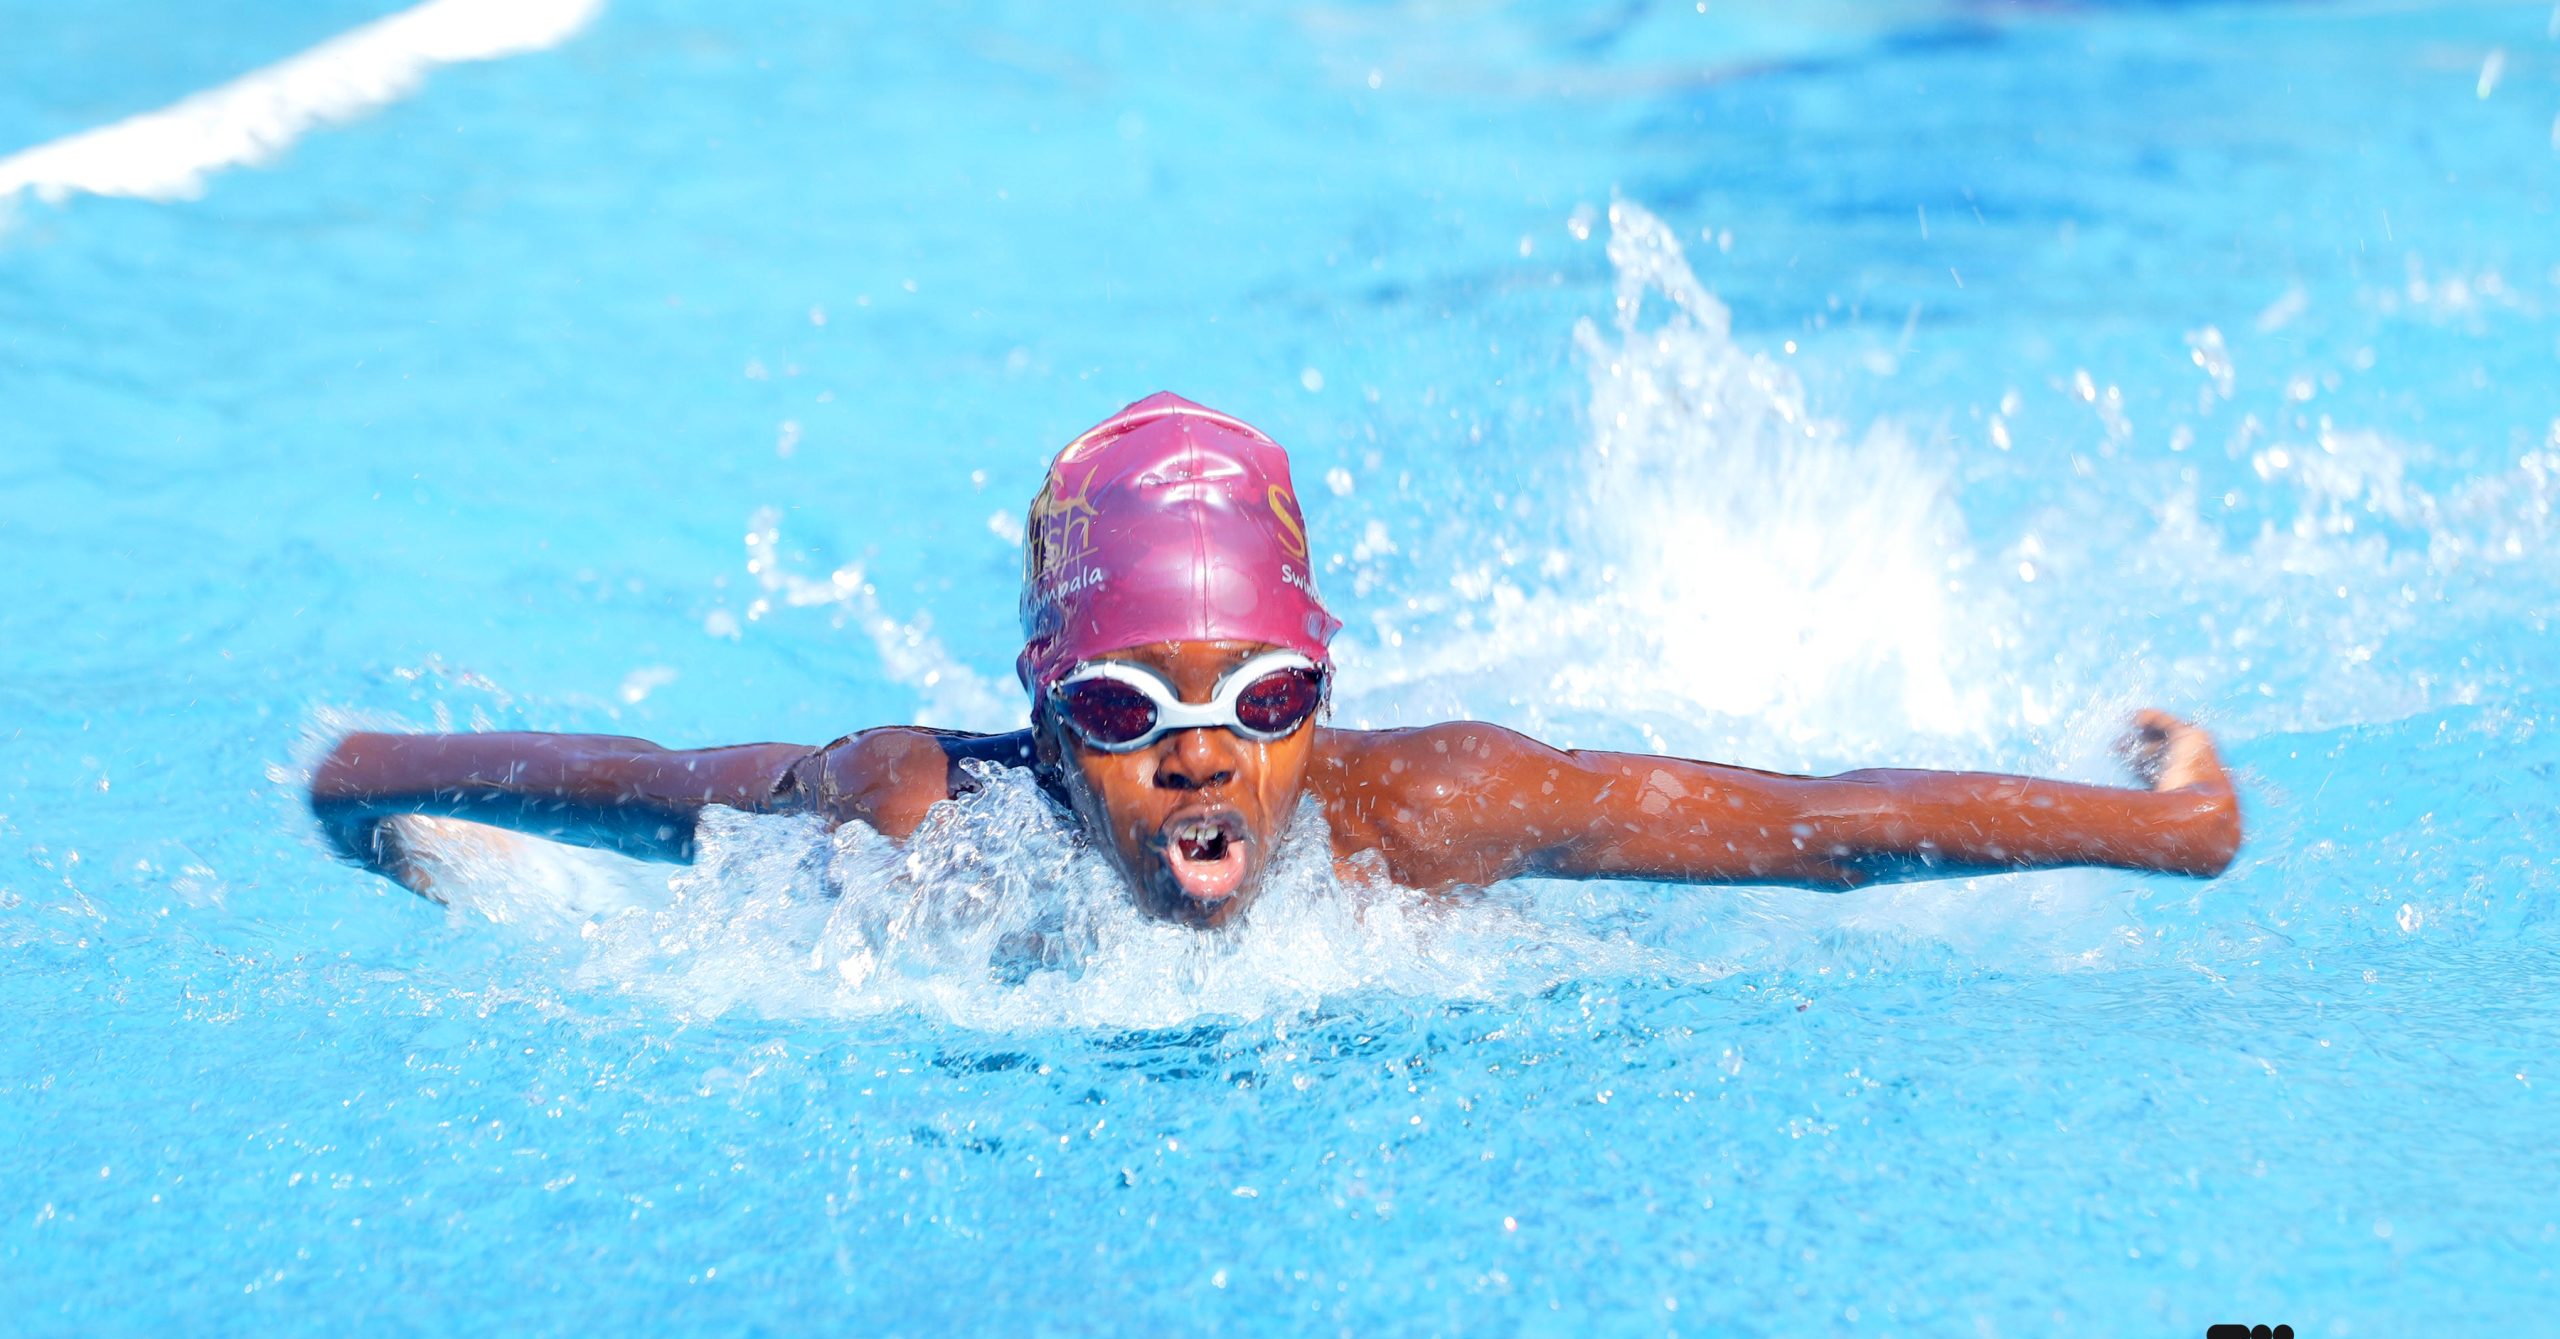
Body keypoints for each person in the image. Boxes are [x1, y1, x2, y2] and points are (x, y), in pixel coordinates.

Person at [310, 392, 2241, 924]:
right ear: (1051, 727)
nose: (1204, 755)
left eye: (1265, 702)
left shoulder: (1433, 816)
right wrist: (371, 782)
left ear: (1324, 697)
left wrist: (2165, 832)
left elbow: (1813, 824)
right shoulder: (916, 812)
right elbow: (647, 799)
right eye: (1131, 712)